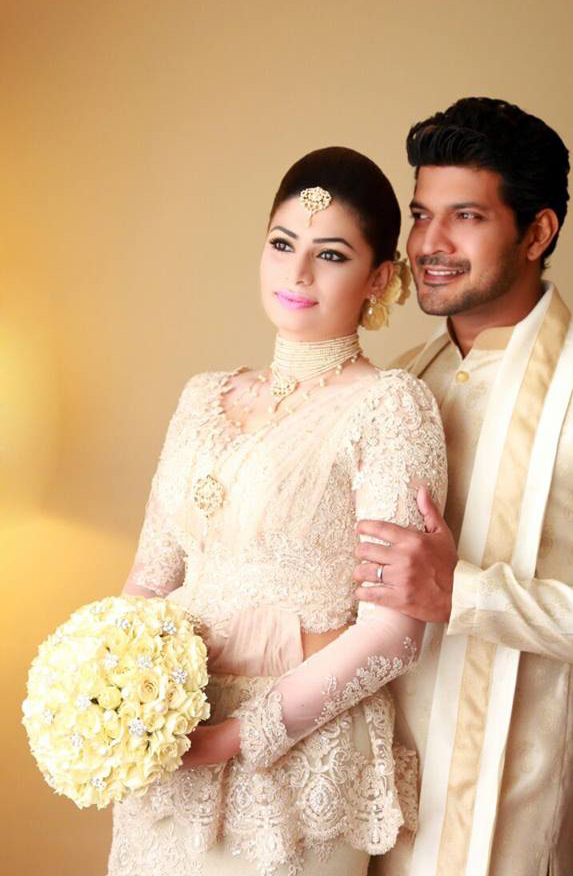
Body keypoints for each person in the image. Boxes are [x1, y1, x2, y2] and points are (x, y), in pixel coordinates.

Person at [106, 146, 447, 876]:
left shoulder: (390, 407)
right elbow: (150, 578)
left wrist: (238, 738)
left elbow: (392, 633)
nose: (297, 274)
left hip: (298, 764)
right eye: (283, 244)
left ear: (379, 278)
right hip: (171, 750)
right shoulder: (202, 397)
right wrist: (112, 700)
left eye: (331, 255)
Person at [355, 97, 573, 876]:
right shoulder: (400, 381)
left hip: (504, 810)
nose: (429, 244)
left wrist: (466, 594)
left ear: (537, 233)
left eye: (467, 217)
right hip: (364, 796)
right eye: (422, 214)